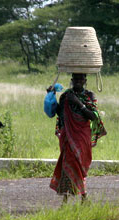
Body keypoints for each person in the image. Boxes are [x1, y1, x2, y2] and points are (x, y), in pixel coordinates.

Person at [48, 73, 106, 203]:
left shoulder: (89, 96)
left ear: (85, 80)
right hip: (68, 136)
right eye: (76, 79)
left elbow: (93, 116)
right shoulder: (66, 96)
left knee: (80, 165)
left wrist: (79, 103)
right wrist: (50, 96)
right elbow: (60, 113)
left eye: (81, 79)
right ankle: (67, 199)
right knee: (67, 164)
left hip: (82, 136)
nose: (78, 81)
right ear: (72, 80)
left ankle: (83, 197)